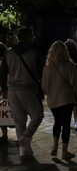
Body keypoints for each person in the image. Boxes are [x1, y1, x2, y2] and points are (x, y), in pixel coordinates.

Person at [0, 27, 45, 162]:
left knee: (19, 121)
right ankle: (25, 138)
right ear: (26, 37)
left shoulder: (8, 53)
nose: (33, 38)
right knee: (37, 115)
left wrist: (4, 88)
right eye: (31, 36)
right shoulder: (35, 53)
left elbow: (3, 72)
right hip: (29, 89)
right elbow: (42, 72)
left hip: (12, 90)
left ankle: (24, 153)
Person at [41, 41, 77, 160]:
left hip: (53, 100)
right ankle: (64, 151)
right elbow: (76, 85)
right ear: (65, 51)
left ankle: (55, 146)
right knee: (66, 124)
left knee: (57, 122)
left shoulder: (47, 66)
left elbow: (44, 87)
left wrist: (50, 92)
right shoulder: (69, 66)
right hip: (66, 99)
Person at [65, 39, 77, 131]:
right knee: (75, 104)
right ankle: (76, 122)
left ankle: (68, 122)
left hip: (65, 86)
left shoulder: (63, 60)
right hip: (75, 85)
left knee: (67, 105)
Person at [0, 42, 14, 143]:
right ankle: (6, 134)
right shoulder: (8, 61)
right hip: (9, 89)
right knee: (6, 112)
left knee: (2, 113)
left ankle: (4, 135)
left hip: (2, 90)